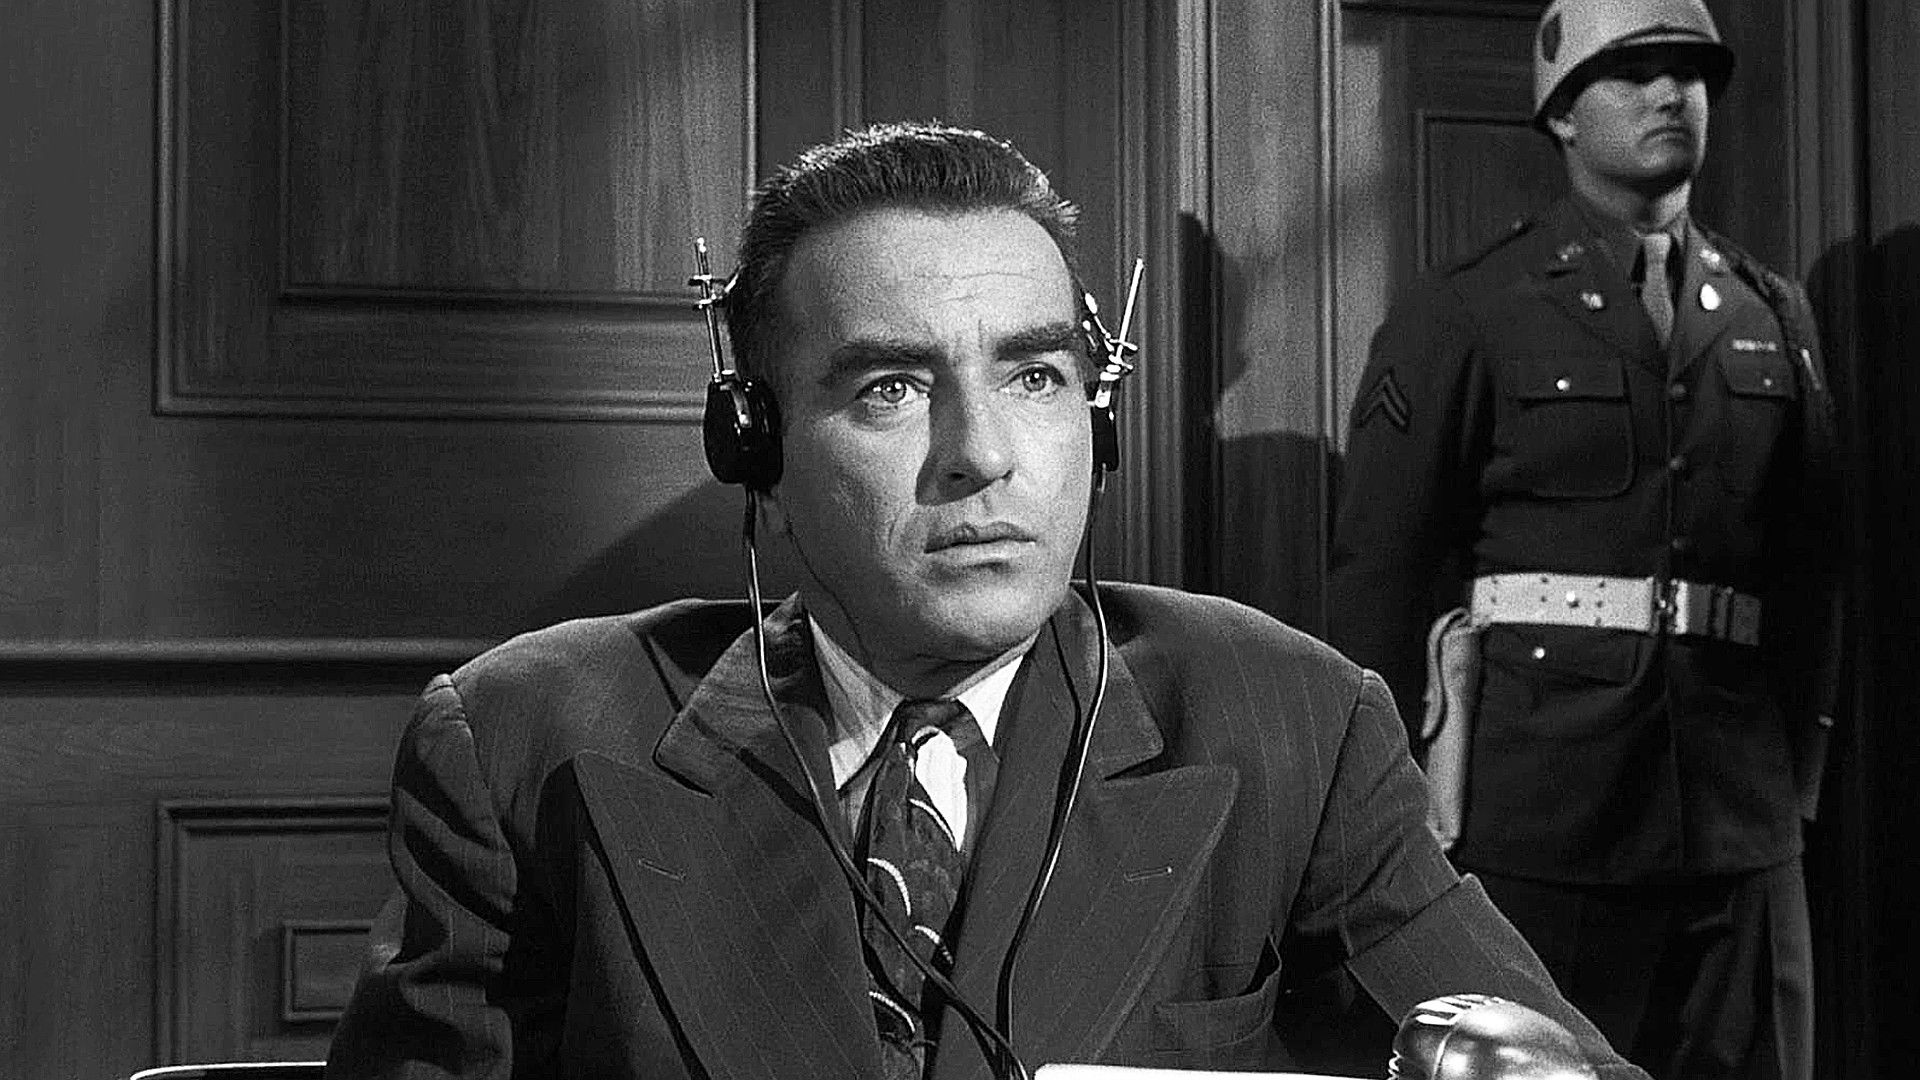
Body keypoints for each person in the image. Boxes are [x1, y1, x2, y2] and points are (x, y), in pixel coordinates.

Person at [327, 121, 1643, 1080]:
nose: (983, 455)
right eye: (892, 389)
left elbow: (1551, 1065)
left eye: (1035, 377)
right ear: (758, 451)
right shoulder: (527, 744)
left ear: (1098, 420)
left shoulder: (1294, 719)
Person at [1327, 3, 1842, 1079]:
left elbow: (1816, 573)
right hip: (1544, 823)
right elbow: (1382, 571)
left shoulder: (1771, 314)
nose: (1671, 95)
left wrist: (1794, 791)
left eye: (1689, 73)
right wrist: (1384, 826)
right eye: (1634, 73)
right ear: (1561, 113)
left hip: (1740, 827)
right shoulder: (1470, 309)